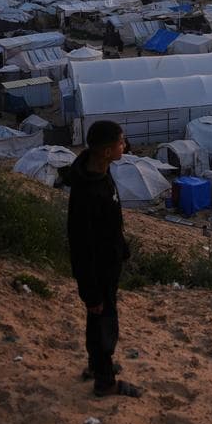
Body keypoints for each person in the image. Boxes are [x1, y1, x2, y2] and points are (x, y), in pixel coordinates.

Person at [61, 121, 142, 398]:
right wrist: (90, 290)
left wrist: (122, 247)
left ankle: (96, 366)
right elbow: (81, 245)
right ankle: (105, 382)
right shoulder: (87, 192)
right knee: (104, 322)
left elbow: (110, 225)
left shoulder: (101, 174)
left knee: (97, 320)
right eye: (121, 142)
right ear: (107, 151)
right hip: (98, 272)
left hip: (108, 263)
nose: (125, 145)